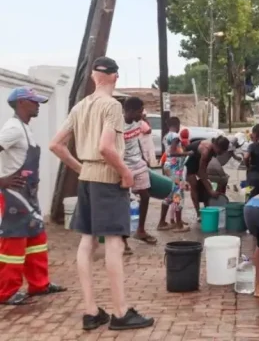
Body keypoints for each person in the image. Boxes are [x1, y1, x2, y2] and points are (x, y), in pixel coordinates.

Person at [49, 57, 154, 330]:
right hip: (107, 180)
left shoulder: (80, 106)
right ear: (115, 76)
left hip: (87, 179)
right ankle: (120, 313)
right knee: (114, 244)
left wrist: (81, 168)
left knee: (87, 242)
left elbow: (56, 145)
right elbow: (106, 147)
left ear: (93, 77)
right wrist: (125, 172)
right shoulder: (112, 106)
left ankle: (91, 311)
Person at [0, 87, 67, 305]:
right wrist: (1, 181)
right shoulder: (12, 129)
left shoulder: (25, 128)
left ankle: (39, 284)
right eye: (34, 101)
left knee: (36, 240)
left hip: (28, 195)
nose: (38, 105)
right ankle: (6, 292)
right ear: (21, 103)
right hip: (13, 197)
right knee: (13, 243)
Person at [122, 98, 156, 245]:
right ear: (130, 111)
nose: (141, 114)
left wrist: (143, 158)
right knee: (123, 201)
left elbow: (137, 140)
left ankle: (140, 230)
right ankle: (122, 238)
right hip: (124, 166)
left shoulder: (138, 122)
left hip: (138, 164)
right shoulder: (118, 125)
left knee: (145, 196)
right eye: (139, 111)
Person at [173, 136, 231, 220]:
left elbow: (204, 171)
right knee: (194, 184)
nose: (220, 154)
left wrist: (208, 186)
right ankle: (198, 214)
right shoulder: (206, 150)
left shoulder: (214, 150)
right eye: (220, 151)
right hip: (189, 160)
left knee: (206, 183)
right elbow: (201, 172)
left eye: (222, 152)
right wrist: (210, 190)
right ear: (216, 146)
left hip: (197, 159)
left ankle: (207, 209)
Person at [160, 132, 189, 233]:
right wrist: (187, 154)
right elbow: (172, 152)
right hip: (175, 170)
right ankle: (179, 225)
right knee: (178, 196)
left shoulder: (167, 136)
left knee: (169, 195)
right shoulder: (175, 136)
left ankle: (162, 222)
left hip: (170, 168)